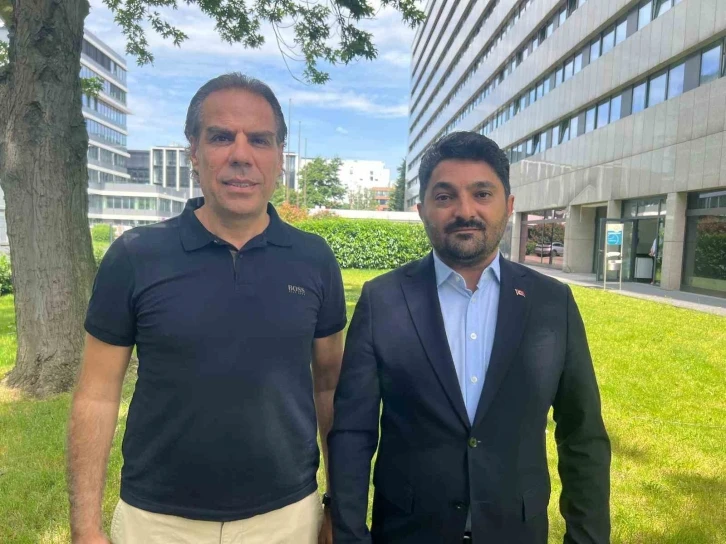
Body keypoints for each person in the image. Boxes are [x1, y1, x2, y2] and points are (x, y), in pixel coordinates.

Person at [67, 73, 346, 544]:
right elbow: (96, 393)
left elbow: (330, 388)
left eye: (259, 140)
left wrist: (338, 504)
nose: (241, 155)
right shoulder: (135, 256)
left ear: (280, 157)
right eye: (220, 137)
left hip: (286, 518)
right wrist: (85, 527)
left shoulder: (314, 259)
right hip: (156, 521)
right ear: (193, 152)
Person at [328, 131, 610, 544]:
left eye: (482, 194)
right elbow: (353, 433)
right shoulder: (383, 300)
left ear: (508, 206)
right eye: (445, 196)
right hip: (407, 533)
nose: (465, 211)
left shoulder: (552, 303)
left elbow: (582, 434)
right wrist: (350, 535)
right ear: (422, 210)